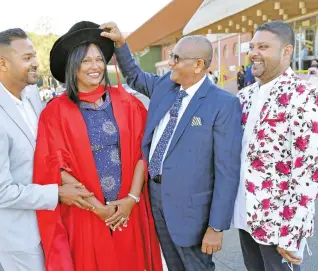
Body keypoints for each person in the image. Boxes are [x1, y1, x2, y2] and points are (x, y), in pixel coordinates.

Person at [101, 22, 243, 271]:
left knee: (196, 267)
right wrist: (121, 44)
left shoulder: (223, 104)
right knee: (173, 265)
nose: (171, 63)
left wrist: (216, 227)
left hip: (192, 211)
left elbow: (227, 170)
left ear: (198, 65)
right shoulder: (165, 87)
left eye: (177, 58)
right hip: (156, 197)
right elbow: (134, 76)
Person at [33, 21, 163, 271]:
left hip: (127, 210)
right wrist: (98, 208)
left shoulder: (127, 103)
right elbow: (55, 167)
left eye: (99, 59)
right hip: (86, 215)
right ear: (73, 67)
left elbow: (142, 153)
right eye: (86, 61)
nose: (95, 66)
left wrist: (131, 200)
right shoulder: (55, 112)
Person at [0, 28, 92, 271]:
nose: (35, 63)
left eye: (34, 56)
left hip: (42, 214)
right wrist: (58, 194)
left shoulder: (29, 91)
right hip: (14, 229)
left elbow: (44, 145)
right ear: (2, 63)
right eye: (27, 58)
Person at [233, 21, 318, 271]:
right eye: (253, 46)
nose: (254, 52)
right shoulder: (244, 97)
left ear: (286, 51)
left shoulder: (303, 96)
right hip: (246, 217)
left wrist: (291, 231)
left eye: (263, 46)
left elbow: (310, 170)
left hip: (280, 224)